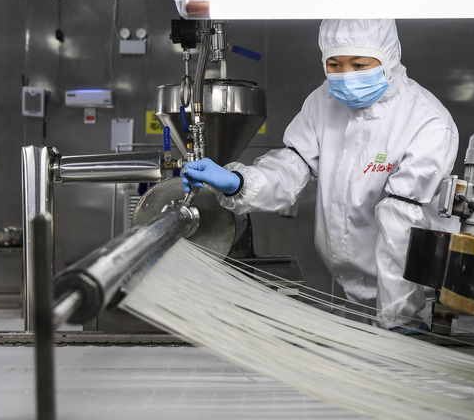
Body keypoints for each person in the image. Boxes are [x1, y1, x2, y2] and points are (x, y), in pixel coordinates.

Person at [183, 19, 459, 332]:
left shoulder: (427, 121)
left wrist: (401, 319)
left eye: (359, 64)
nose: (346, 75)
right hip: (350, 293)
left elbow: (402, 225)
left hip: (414, 298)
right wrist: (240, 183)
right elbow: (292, 166)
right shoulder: (323, 102)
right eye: (334, 64)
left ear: (389, 58)